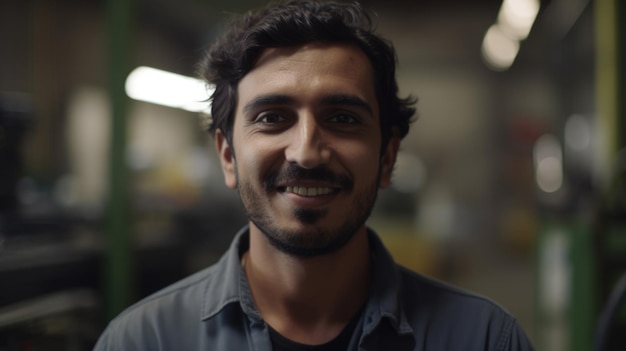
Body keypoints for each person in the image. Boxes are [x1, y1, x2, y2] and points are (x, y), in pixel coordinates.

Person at [93, 0, 534, 350]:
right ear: (227, 156)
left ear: (387, 158)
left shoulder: (485, 339)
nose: (305, 152)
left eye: (342, 118)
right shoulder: (142, 341)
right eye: (272, 117)